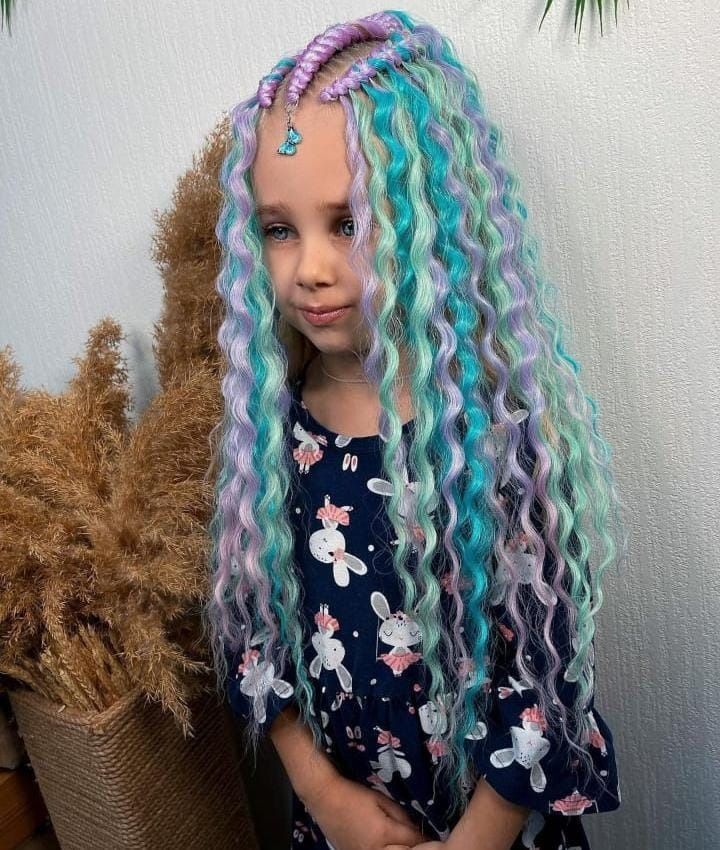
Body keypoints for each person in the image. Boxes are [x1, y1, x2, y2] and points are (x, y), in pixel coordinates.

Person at [205, 10, 625, 850]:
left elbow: (546, 669)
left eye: (348, 223)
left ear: (429, 218)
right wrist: (325, 795)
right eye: (281, 230)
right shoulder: (268, 440)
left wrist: (477, 839)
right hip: (345, 824)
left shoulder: (499, 441)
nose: (310, 268)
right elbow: (251, 634)